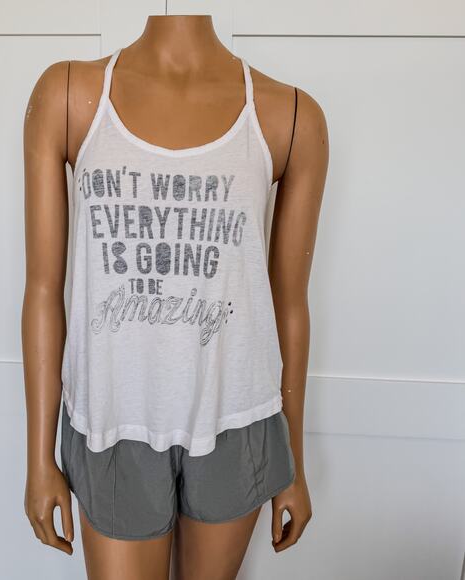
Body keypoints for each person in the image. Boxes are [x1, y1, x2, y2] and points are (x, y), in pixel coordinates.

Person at [22, 14, 328, 580]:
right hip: (112, 421)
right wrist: (39, 459)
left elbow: (289, 304)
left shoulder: (288, 115)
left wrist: (295, 463)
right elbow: (43, 288)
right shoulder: (69, 95)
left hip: (236, 419)